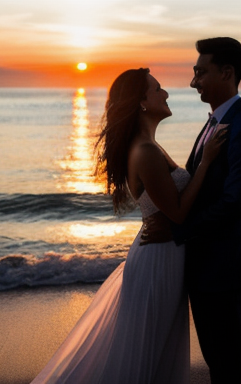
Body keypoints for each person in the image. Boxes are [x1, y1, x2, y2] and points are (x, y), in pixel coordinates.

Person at [30, 68, 225, 384]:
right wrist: (206, 163)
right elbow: (176, 213)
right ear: (142, 103)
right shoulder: (145, 151)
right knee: (146, 352)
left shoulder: (149, 145)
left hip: (165, 254)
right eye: (158, 89)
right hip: (157, 263)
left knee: (157, 351)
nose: (166, 93)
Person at [175, 37, 241, 384]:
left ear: (226, 72)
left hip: (227, 266)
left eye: (200, 73)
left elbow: (233, 205)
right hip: (206, 265)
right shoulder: (214, 123)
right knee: (218, 361)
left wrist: (178, 232)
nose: (193, 82)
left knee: (232, 365)